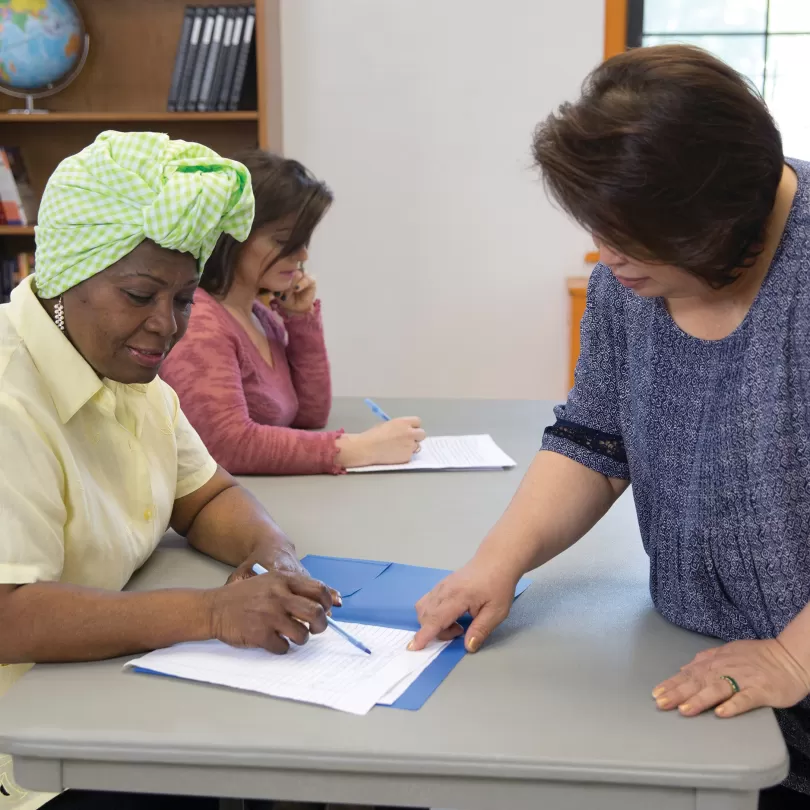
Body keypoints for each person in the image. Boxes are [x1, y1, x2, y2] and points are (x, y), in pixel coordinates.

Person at [409, 45, 810, 808]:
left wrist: (795, 660)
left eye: (632, 240)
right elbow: (595, 438)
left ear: (721, 221)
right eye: (601, 229)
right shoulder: (627, 277)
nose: (607, 257)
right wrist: (499, 562)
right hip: (709, 664)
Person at [0, 131, 339, 809]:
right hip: (33, 748)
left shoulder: (128, 372)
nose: (167, 325)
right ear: (67, 274)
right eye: (139, 295)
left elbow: (206, 493)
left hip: (115, 692)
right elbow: (8, 615)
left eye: (183, 300)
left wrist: (275, 556)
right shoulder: (10, 396)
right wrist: (214, 613)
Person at [159, 150, 425, 475]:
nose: (302, 254)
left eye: (303, 241)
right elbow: (226, 446)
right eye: (284, 240)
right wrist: (360, 448)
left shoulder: (261, 316)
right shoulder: (201, 323)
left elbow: (310, 414)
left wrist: (301, 321)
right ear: (230, 238)